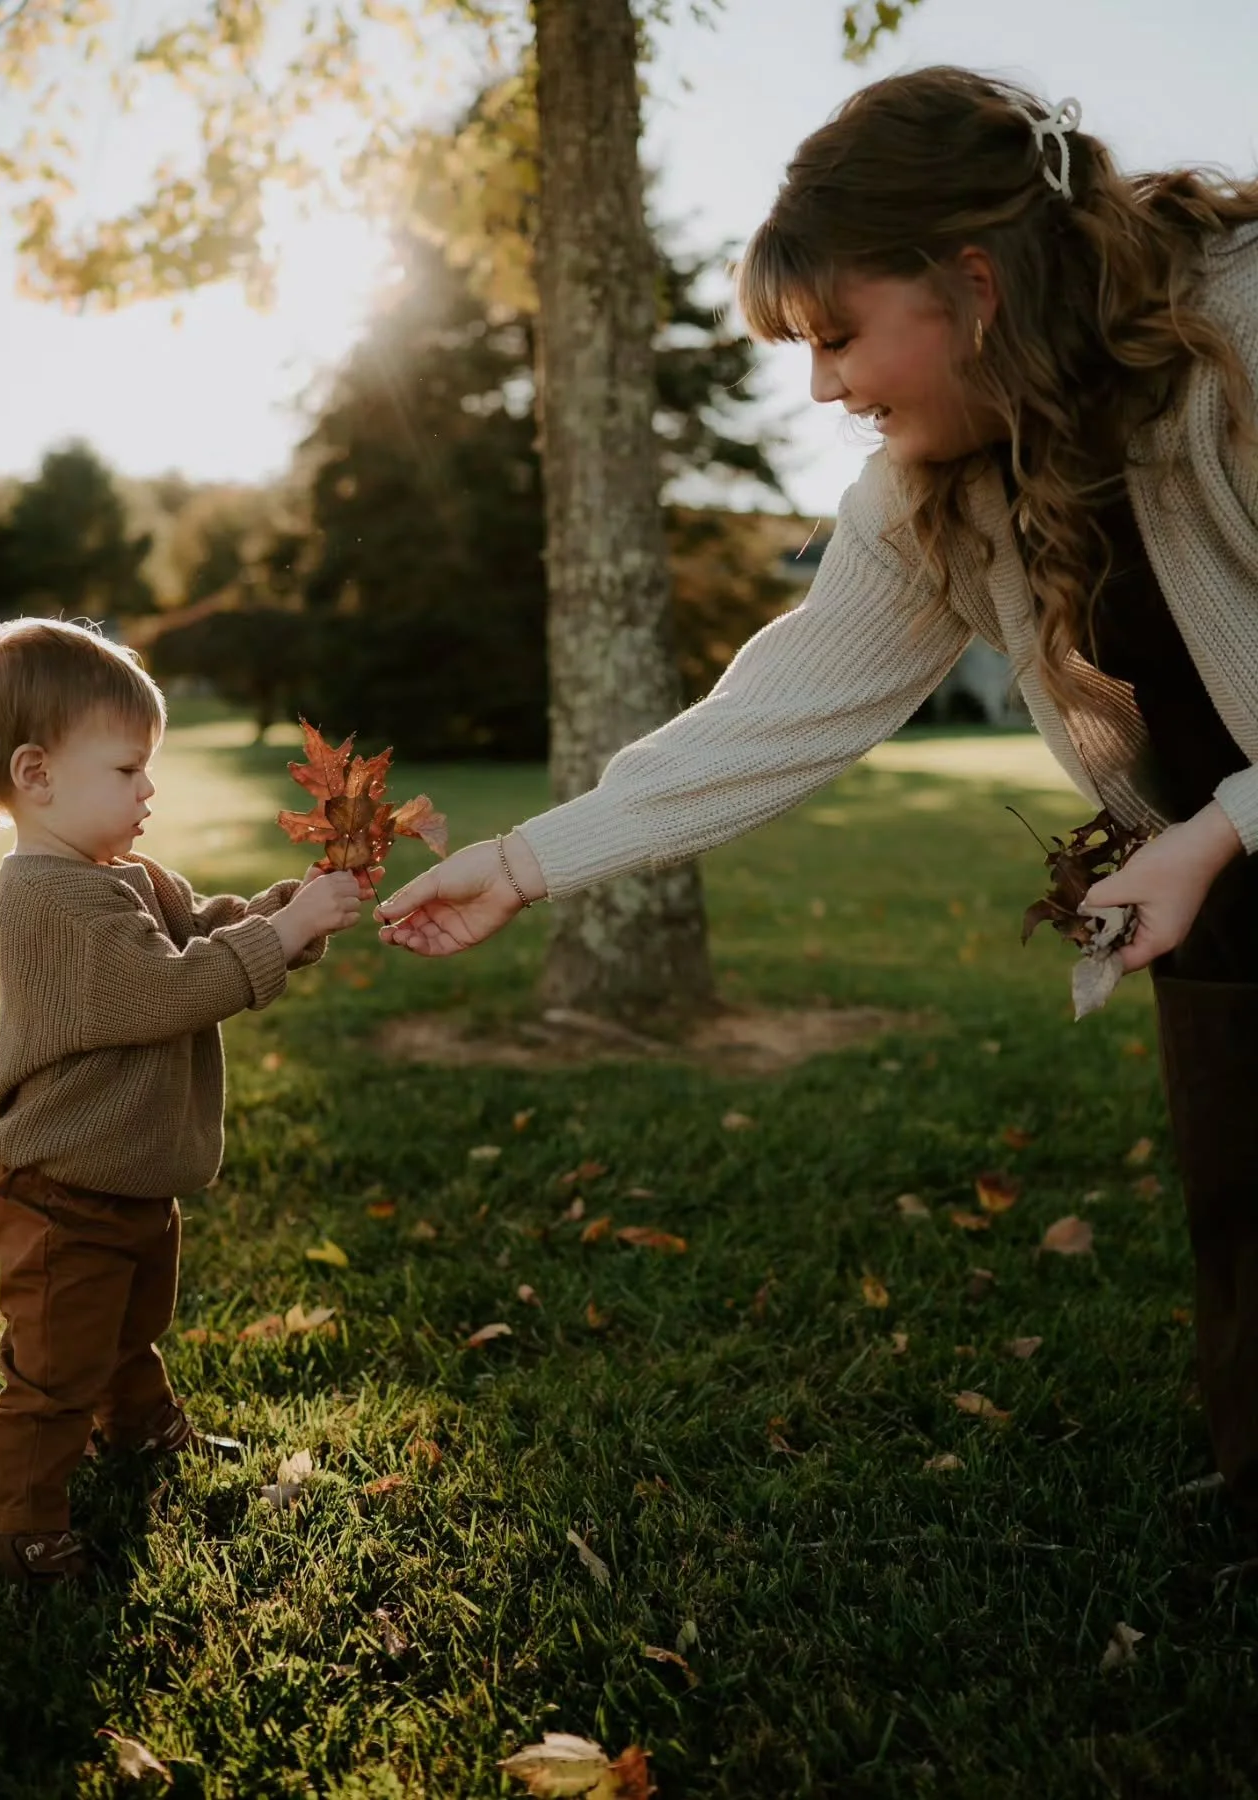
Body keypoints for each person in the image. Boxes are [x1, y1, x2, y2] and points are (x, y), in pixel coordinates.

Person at [376, 68, 1258, 1508]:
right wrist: (528, 861)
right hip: (1206, 869)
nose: (824, 386)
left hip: (1224, 833)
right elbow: (777, 712)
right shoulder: (937, 483)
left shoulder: (1241, 324)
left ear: (974, 285)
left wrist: (1228, 828)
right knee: (1241, 1166)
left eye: (841, 336)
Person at [0, 617, 365, 1583]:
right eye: (128, 771)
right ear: (37, 775)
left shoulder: (121, 876)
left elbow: (201, 933)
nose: (149, 789)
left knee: (130, 1328)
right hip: (59, 1197)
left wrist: (284, 917)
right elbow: (168, 987)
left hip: (127, 1181)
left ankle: (137, 1427)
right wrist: (282, 931)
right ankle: (24, 1524)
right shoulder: (46, 899)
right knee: (54, 1369)